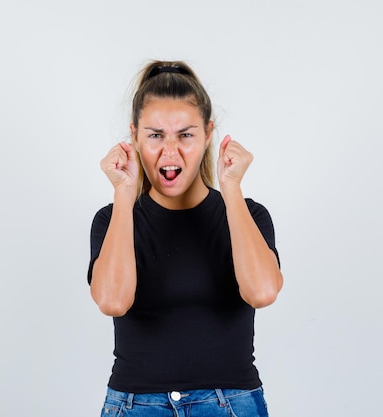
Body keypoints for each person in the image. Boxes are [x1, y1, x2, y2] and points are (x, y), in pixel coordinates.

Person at [87, 60, 283, 417]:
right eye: (155, 135)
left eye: (186, 134)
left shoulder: (249, 215)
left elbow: (262, 292)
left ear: (209, 134)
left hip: (230, 405)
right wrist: (123, 194)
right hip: (135, 407)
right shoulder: (113, 219)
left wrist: (232, 188)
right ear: (134, 137)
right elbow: (113, 301)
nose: (170, 151)